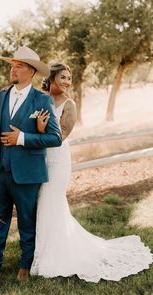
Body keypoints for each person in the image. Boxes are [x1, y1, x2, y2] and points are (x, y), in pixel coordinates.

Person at [30, 63, 153, 282]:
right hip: (36, 158)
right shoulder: (39, 99)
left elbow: (59, 137)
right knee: (41, 203)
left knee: (51, 201)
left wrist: (40, 129)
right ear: (51, 78)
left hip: (57, 161)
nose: (67, 82)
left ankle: (53, 255)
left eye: (69, 78)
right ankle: (40, 249)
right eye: (63, 77)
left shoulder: (70, 105)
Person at [0, 47, 62, 288]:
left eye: (19, 65)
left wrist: (22, 137)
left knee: (27, 222)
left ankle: (26, 263)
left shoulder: (42, 100)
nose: (13, 68)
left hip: (28, 174)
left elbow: (55, 138)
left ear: (31, 72)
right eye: (12, 64)